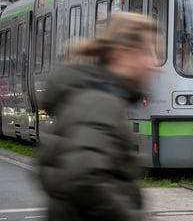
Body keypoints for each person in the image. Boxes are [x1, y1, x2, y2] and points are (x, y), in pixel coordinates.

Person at [37, 13, 158, 221]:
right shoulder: (101, 104)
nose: (154, 64)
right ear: (123, 55)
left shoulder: (97, 99)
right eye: (148, 53)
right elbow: (84, 176)